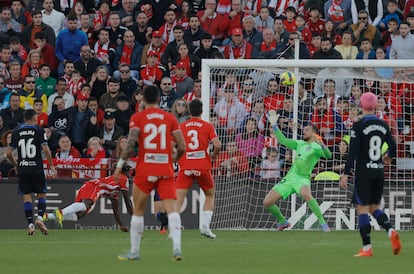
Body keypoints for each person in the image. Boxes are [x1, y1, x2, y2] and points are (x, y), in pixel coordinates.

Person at [115, 85, 186, 261]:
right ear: (159, 99)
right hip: (165, 168)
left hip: (145, 168)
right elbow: (182, 146)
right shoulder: (169, 118)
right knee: (172, 210)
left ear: (143, 99)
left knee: (138, 209)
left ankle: (135, 251)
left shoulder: (138, 117)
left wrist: (119, 165)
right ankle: (177, 249)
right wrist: (176, 158)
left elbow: (130, 143)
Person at [339, 92, 401, 257]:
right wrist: (388, 155)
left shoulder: (358, 126)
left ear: (361, 105)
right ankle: (390, 230)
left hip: (364, 172)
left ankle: (367, 248)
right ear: (375, 106)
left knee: (363, 209)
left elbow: (352, 153)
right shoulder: (383, 125)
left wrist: (345, 173)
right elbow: (393, 145)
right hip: (378, 171)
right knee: (374, 207)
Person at [263, 111, 332, 232]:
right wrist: (274, 126)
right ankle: (282, 221)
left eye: (307, 130)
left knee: (306, 194)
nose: (304, 131)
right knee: (267, 202)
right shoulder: (299, 144)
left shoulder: (316, 147)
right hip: (290, 178)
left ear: (314, 133)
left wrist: (322, 145)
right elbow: (284, 141)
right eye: (304, 129)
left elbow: (328, 156)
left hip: (303, 178)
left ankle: (323, 222)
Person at [176, 99, 222, 239]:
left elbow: (174, 145)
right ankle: (205, 227)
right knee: (210, 195)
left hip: (186, 166)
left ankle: (174, 227)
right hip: (202, 166)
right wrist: (212, 156)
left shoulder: (182, 126)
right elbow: (218, 145)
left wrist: (179, 159)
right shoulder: (207, 126)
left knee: (178, 198)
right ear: (202, 111)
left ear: (189, 111)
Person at [6, 109, 57, 235]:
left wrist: (16, 164)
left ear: (24, 119)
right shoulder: (39, 130)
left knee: (27, 197)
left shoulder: (16, 131)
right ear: (34, 118)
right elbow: (45, 149)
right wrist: (51, 165)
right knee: (41, 194)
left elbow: (7, 153)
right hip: (37, 168)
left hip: (23, 169)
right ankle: (39, 218)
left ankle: (30, 224)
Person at [45, 171, 133, 231]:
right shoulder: (123, 178)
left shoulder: (114, 191)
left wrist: (121, 225)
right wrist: (136, 217)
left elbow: (115, 209)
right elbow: (127, 201)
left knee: (78, 215)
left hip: (89, 186)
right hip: (94, 186)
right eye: (131, 173)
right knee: (87, 204)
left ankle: (45, 216)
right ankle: (61, 212)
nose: (130, 177)